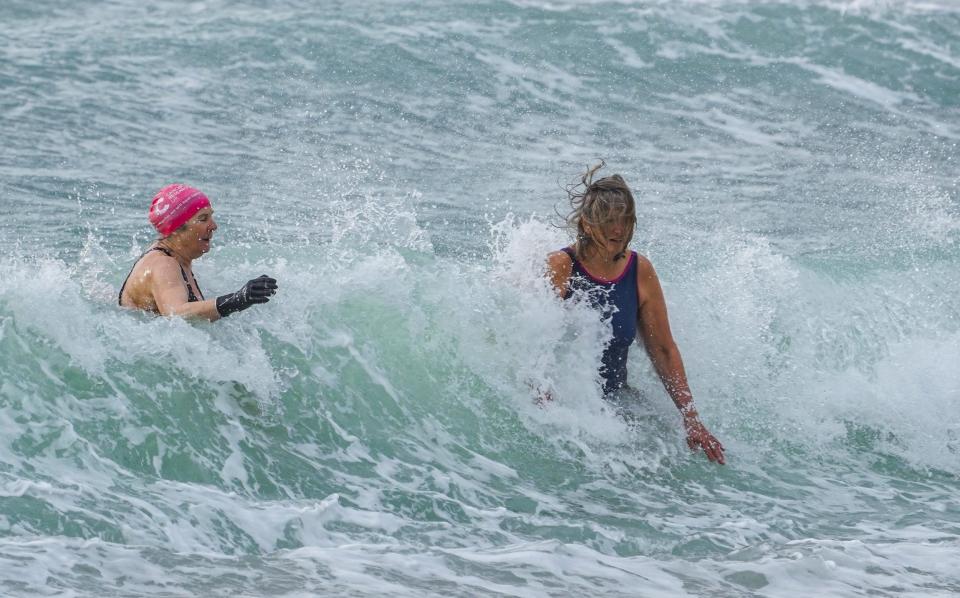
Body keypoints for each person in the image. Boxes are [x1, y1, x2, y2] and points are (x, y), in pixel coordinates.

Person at [545, 164, 725, 464]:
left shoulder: (639, 271)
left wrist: (691, 418)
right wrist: (543, 397)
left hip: (617, 405)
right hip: (567, 411)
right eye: (610, 220)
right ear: (587, 223)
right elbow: (532, 343)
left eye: (626, 220)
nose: (619, 229)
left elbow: (663, 350)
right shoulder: (561, 267)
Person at [119, 183, 278, 320]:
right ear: (176, 229)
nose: (214, 226)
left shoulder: (177, 256)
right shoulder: (163, 264)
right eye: (203, 219)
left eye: (211, 217)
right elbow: (176, 314)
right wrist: (236, 300)